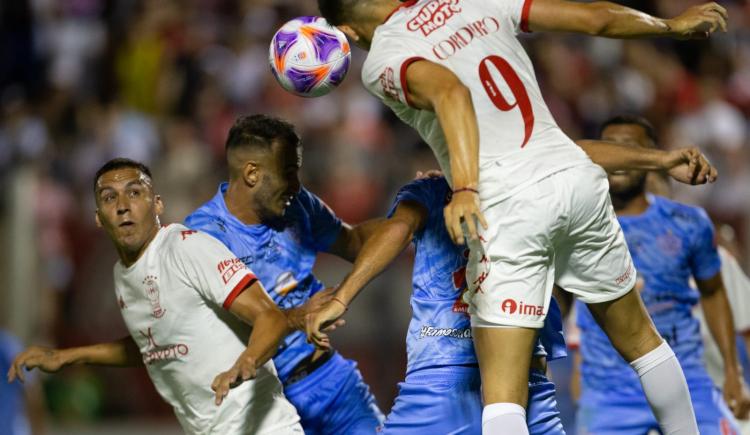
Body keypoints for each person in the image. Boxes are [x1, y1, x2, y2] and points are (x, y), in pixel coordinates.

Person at [313, 0, 727, 433]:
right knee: (644, 344)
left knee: (503, 396)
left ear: (349, 33)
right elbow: (594, 16)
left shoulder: (385, 56)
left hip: (509, 205)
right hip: (575, 178)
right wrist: (670, 27)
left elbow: (450, 91)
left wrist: (467, 188)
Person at [308, 137, 721, 434]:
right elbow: (573, 153)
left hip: (442, 383)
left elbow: (395, 231)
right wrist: (659, 160)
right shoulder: (527, 177)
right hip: (522, 380)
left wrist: (344, 294)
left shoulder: (428, 193)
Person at [7, 158, 303, 435]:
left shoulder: (186, 248)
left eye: (134, 193)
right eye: (110, 197)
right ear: (98, 218)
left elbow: (270, 316)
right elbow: (153, 345)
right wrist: (66, 356)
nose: (123, 206)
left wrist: (246, 362)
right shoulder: (122, 275)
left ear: (157, 204)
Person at [184, 114, 384, 434]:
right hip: (266, 401)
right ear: (252, 173)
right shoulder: (202, 237)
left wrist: (413, 213)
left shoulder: (297, 205)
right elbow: (210, 329)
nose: (296, 185)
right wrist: (300, 315)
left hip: (333, 383)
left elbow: (355, 241)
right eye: (287, 172)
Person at [568, 115, 749, 434]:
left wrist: (733, 372)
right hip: (608, 396)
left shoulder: (687, 222)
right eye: (611, 148)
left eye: (631, 148)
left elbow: (713, 292)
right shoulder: (575, 226)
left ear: (651, 155)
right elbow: (560, 301)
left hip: (688, 383)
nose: (621, 160)